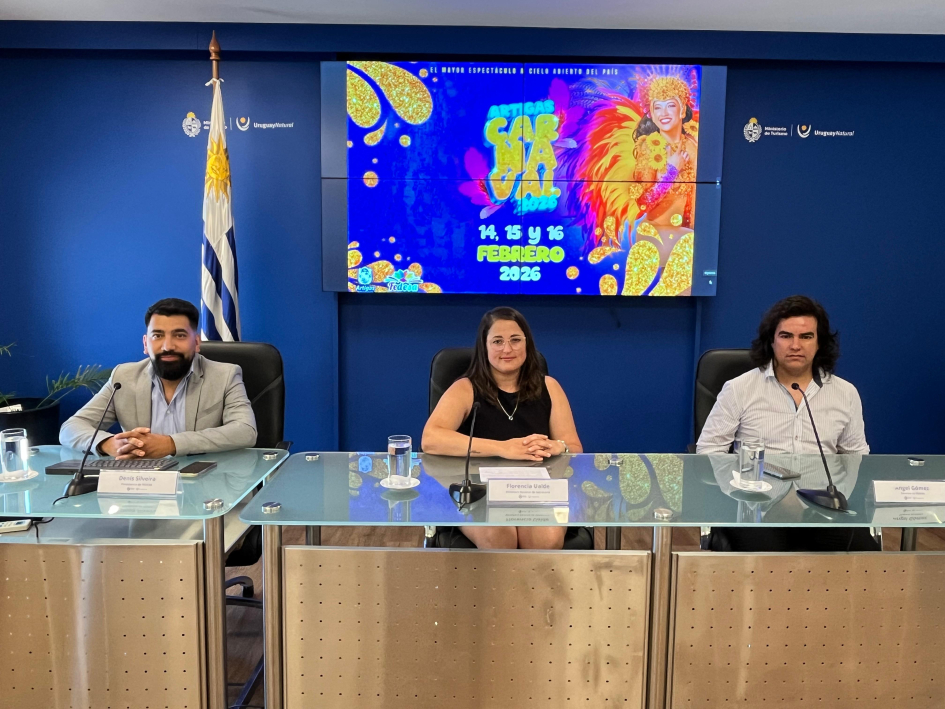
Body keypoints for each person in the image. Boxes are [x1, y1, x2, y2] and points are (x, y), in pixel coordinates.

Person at [696, 295, 877, 551]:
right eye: (786, 336)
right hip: (756, 506)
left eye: (806, 336)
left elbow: (855, 454)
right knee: (767, 562)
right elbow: (709, 450)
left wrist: (840, 499)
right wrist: (738, 492)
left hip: (824, 508)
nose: (795, 345)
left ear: (819, 342)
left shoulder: (845, 393)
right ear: (771, 341)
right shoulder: (739, 389)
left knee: (865, 556)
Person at [421, 307, 583, 549]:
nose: (507, 349)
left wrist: (558, 446)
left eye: (515, 340)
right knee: (499, 536)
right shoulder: (466, 388)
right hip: (478, 489)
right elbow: (431, 439)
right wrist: (503, 448)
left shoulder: (549, 386)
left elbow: (574, 448)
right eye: (497, 341)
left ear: (527, 344)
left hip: (535, 490)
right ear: (484, 347)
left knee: (546, 537)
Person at [60, 298, 257, 457]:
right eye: (157, 336)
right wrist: (108, 443)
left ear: (196, 342)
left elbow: (245, 431)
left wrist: (171, 444)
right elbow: (70, 428)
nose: (167, 346)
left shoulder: (225, 375)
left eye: (180, 335)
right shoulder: (124, 377)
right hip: (142, 482)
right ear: (146, 344)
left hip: (206, 482)